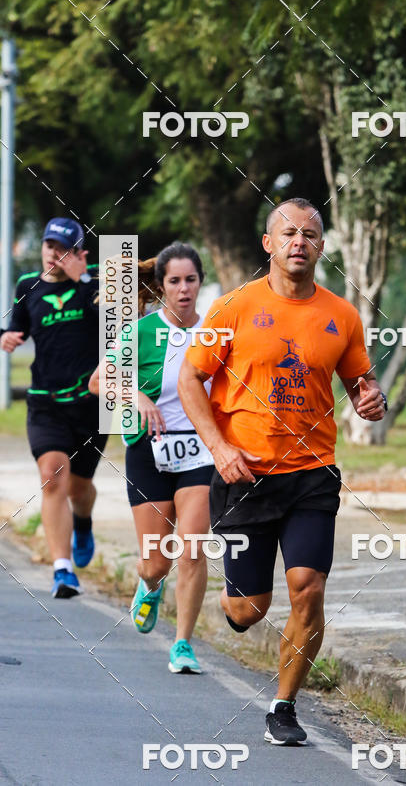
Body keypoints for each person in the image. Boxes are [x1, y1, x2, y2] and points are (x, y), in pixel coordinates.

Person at [178, 197, 386, 744]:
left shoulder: (342, 315)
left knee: (308, 588)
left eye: (311, 234)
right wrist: (219, 448)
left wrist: (370, 399)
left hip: (312, 473)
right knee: (248, 610)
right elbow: (187, 381)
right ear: (268, 244)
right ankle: (237, 605)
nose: (300, 242)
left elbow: (359, 383)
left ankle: (284, 707)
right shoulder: (231, 309)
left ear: (322, 246)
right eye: (288, 232)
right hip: (244, 474)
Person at [89, 242, 214, 674]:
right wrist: (136, 395)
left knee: (193, 549)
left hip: (199, 452)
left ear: (201, 282)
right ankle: (149, 584)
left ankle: (182, 645)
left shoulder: (215, 332)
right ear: (160, 286)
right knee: (155, 560)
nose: (183, 289)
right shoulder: (141, 332)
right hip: (148, 450)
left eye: (191, 280)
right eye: (174, 281)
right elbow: (97, 383)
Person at [0, 218, 107, 598]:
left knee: (79, 488)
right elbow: (17, 327)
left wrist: (83, 281)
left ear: (80, 254)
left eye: (63, 250)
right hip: (45, 401)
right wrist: (7, 337)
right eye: (49, 248)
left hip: (93, 404)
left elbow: (121, 326)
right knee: (53, 476)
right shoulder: (28, 285)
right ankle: (63, 569)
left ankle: (83, 522)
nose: (53, 256)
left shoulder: (98, 281)